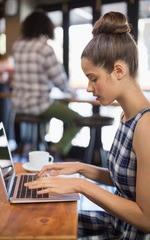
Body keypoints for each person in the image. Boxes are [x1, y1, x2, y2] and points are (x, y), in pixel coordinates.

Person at [25, 11, 150, 239]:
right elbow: (125, 178)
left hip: (126, 234)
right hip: (115, 224)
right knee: (36, 222)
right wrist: (79, 167)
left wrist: (81, 185)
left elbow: (146, 219)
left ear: (118, 70)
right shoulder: (127, 116)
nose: (89, 88)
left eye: (93, 78)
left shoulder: (146, 128)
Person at [11, 10, 81, 156]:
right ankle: (56, 149)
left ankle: (37, 146)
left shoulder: (17, 47)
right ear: (46, 27)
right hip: (38, 105)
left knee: (47, 116)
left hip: (18, 106)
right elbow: (59, 80)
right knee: (78, 119)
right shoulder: (44, 48)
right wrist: (72, 92)